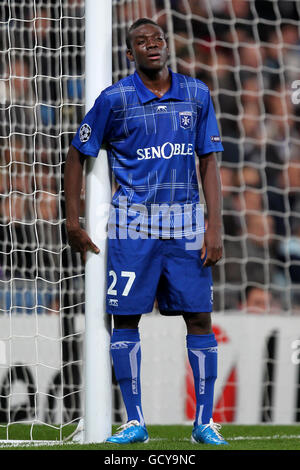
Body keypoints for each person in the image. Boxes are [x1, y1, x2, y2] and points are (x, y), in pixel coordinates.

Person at [64, 18, 227, 446]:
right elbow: (77, 153)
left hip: (186, 226)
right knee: (125, 317)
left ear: (166, 46)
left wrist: (215, 225)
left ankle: (204, 423)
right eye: (141, 41)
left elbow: (208, 160)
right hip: (133, 226)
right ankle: (134, 421)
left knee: (199, 317)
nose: (151, 45)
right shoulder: (114, 100)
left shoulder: (196, 93)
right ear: (129, 53)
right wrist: (72, 221)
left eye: (157, 39)